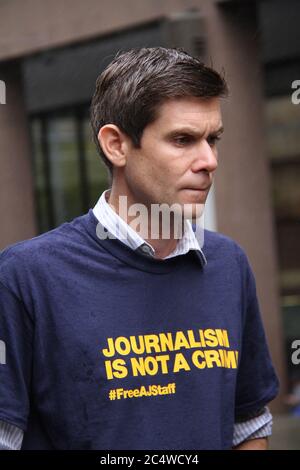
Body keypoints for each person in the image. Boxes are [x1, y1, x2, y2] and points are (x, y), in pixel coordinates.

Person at [0, 47, 279, 450]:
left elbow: (249, 424)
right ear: (116, 145)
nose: (209, 160)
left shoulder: (228, 264)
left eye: (212, 139)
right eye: (183, 139)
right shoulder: (25, 277)